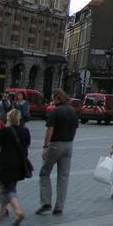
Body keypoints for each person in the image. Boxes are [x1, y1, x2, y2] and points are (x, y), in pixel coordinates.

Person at [37, 88, 78, 216]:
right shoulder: (72, 111)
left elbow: (50, 130)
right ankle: (59, 207)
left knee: (45, 173)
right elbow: (75, 128)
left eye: (53, 98)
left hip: (55, 145)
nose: (52, 101)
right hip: (68, 145)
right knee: (63, 177)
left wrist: (45, 146)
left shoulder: (55, 112)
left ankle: (46, 202)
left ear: (57, 98)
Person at [0, 108, 30, 225]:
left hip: (6, 164)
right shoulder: (25, 131)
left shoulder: (5, 131)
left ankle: (18, 210)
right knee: (10, 187)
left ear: (9, 119)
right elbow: (27, 146)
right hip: (20, 164)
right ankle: (1, 213)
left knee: (6, 189)